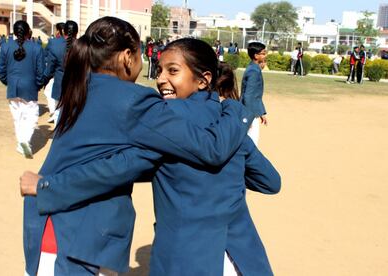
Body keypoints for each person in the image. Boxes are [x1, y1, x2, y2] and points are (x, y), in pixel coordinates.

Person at [20, 38, 280, 276]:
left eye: (172, 71)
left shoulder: (167, 124)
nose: (161, 79)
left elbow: (115, 170)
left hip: (186, 261)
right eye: (159, 70)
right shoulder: (231, 127)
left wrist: (46, 187)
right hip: (242, 259)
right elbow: (270, 182)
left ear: (203, 79)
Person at [0, 20, 44, 158]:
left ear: (14, 32)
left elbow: (0, 69)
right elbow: (41, 72)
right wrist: (38, 84)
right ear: (28, 31)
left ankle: (21, 143)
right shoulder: (36, 48)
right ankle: (24, 141)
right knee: (31, 117)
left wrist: (8, 82)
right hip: (29, 87)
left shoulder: (5, 47)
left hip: (13, 87)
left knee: (18, 118)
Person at [43, 20, 78, 126]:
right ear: (76, 32)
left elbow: (49, 69)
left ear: (63, 31)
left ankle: (58, 138)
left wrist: (44, 80)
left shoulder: (55, 45)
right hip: (76, 86)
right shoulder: (82, 46)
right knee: (73, 115)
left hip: (60, 84)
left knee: (58, 113)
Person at [240, 41, 267, 146]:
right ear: (256, 56)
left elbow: (256, 96)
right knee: (252, 142)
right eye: (263, 53)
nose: (265, 55)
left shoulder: (254, 68)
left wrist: (262, 112)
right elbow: (249, 95)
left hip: (253, 111)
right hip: (250, 112)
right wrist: (249, 116)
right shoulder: (253, 71)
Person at [43, 22, 65, 119]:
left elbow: (48, 57)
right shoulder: (79, 44)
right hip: (73, 82)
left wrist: (46, 76)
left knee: (48, 92)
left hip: (57, 76)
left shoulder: (54, 42)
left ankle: (53, 111)